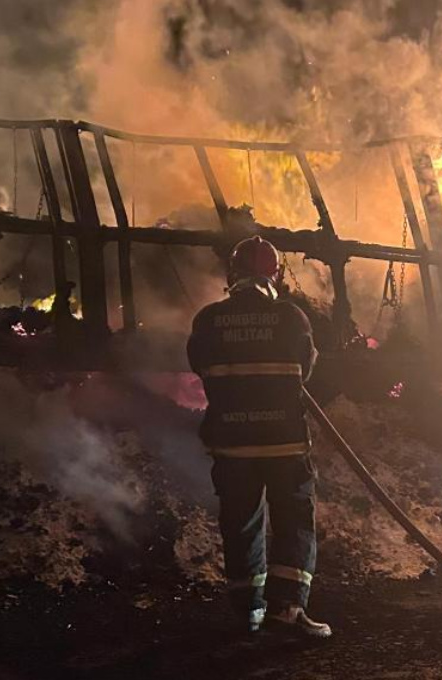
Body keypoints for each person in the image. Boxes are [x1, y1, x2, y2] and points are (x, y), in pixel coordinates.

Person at [187, 236, 331, 638]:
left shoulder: (208, 320)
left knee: (240, 522)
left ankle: (248, 612)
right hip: (284, 441)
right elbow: (305, 369)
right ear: (276, 275)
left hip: (232, 443)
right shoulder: (291, 318)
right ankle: (287, 610)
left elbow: (199, 364)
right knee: (293, 521)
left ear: (231, 274)